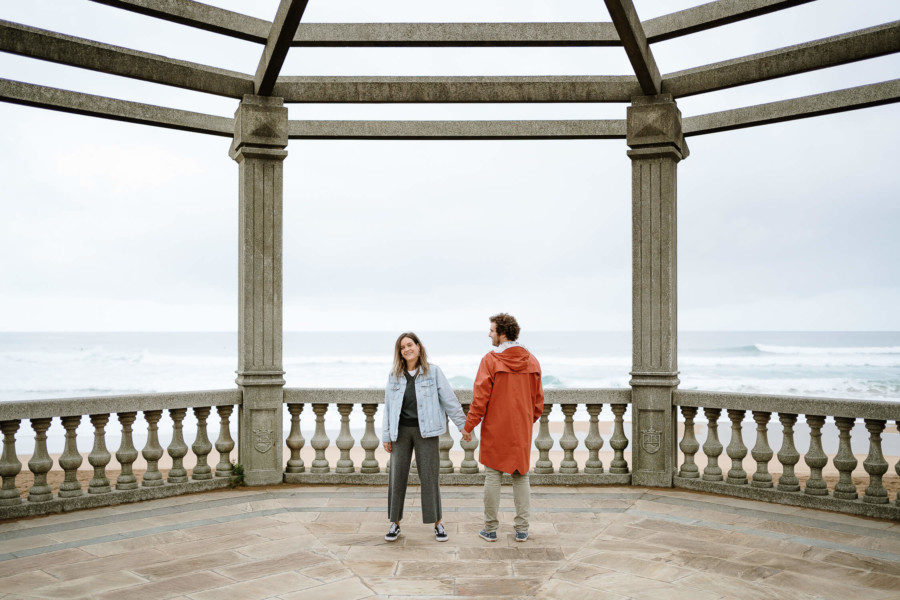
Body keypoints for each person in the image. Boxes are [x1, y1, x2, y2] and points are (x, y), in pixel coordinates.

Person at [461, 313, 544, 543]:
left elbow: (480, 400)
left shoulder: (490, 360)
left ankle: (490, 528)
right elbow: (538, 402)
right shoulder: (532, 361)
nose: (489, 334)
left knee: (493, 476)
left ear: (502, 332)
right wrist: (526, 420)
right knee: (521, 476)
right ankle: (522, 529)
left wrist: (469, 426)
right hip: (521, 429)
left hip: (496, 428)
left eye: (492, 330)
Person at [381, 332, 466, 543]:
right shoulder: (394, 375)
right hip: (400, 432)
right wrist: (386, 436)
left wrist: (464, 426)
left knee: (429, 478)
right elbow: (389, 407)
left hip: (426, 433)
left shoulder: (433, 372)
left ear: (418, 347)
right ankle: (395, 523)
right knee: (397, 478)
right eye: (402, 347)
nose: (407, 349)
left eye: (410, 344)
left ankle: (437, 523)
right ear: (399, 352)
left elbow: (449, 400)